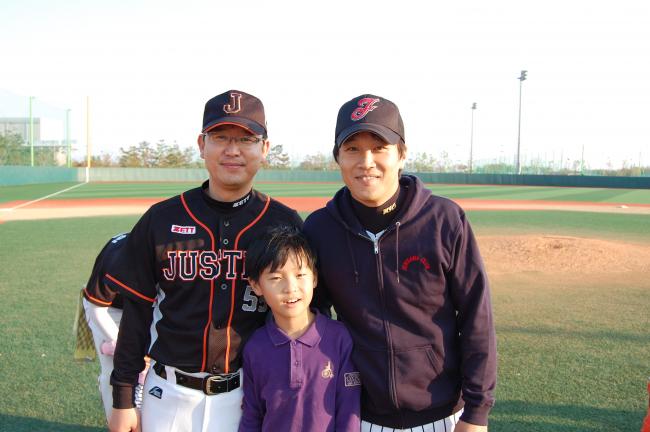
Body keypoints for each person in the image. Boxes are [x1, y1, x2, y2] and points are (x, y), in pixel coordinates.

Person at [106, 90, 303, 432]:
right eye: (221, 137)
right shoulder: (161, 219)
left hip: (251, 395)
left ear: (264, 149)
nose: (233, 149)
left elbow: (307, 315)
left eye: (246, 139)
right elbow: (136, 314)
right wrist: (123, 397)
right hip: (168, 395)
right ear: (202, 144)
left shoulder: (283, 223)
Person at [303, 94, 497, 432]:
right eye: (352, 149)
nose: (366, 161)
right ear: (338, 158)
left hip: (442, 415)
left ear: (402, 154)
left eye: (379, 147)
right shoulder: (320, 229)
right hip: (358, 415)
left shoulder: (444, 220)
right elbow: (312, 319)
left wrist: (477, 411)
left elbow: (476, 317)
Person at [238, 225, 361, 432]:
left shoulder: (339, 338)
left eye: (300, 275)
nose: (290, 288)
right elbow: (252, 416)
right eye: (276, 278)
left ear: (314, 277)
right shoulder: (255, 347)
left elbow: (349, 412)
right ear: (256, 285)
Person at [82, 232, 149, 421]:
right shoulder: (116, 257)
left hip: (147, 307)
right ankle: (115, 419)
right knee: (113, 368)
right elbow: (97, 310)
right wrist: (124, 347)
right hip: (110, 308)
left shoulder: (171, 253)